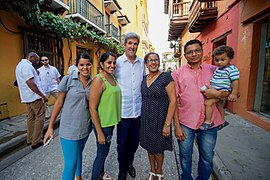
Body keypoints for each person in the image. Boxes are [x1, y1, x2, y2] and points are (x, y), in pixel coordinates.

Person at [172, 39, 230, 180]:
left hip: (209, 124)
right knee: (185, 156)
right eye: (190, 52)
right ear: (185, 55)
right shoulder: (177, 74)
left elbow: (232, 91)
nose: (194, 54)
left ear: (202, 51)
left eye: (197, 50)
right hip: (186, 123)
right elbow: (173, 102)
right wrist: (177, 126)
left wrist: (216, 94)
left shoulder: (215, 70)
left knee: (207, 157)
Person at [43, 53, 92, 180]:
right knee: (70, 164)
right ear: (77, 66)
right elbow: (58, 103)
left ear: (91, 65)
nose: (85, 68)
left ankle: (79, 177)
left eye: (88, 64)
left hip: (85, 128)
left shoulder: (94, 82)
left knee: (78, 154)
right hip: (69, 129)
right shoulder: (68, 79)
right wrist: (50, 127)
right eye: (82, 65)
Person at [140, 52, 176, 180]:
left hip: (161, 119)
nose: (153, 62)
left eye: (156, 60)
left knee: (159, 148)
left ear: (159, 62)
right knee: (150, 146)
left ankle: (159, 171)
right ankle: (152, 170)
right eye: (150, 60)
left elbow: (173, 101)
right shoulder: (144, 79)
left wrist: (167, 124)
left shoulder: (165, 77)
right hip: (146, 118)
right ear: (146, 64)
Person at [114, 32, 146, 180]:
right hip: (123, 112)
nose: (132, 46)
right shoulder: (117, 63)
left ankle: (129, 164)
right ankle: (122, 169)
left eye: (135, 44)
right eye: (130, 43)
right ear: (125, 44)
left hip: (138, 112)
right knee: (122, 144)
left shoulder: (141, 63)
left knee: (134, 143)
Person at [89, 52, 121, 180]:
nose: (112, 65)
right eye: (109, 62)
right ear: (101, 64)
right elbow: (92, 108)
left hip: (110, 122)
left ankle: (101, 175)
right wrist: (99, 132)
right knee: (102, 154)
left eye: (114, 62)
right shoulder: (99, 79)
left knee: (103, 152)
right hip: (102, 124)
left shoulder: (113, 78)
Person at [200, 45, 240, 130]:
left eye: (222, 60)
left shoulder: (232, 69)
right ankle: (222, 121)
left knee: (208, 103)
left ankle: (208, 122)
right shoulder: (218, 69)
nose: (219, 62)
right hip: (214, 88)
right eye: (216, 60)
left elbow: (235, 81)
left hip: (222, 89)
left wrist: (234, 93)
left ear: (230, 58)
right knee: (219, 105)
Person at [15, 52, 47, 149]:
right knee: (40, 117)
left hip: (27, 97)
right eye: (36, 60)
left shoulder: (20, 65)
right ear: (31, 57)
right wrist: (42, 95)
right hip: (34, 96)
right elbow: (30, 82)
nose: (37, 62)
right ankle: (36, 140)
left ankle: (30, 139)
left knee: (31, 118)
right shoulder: (27, 66)